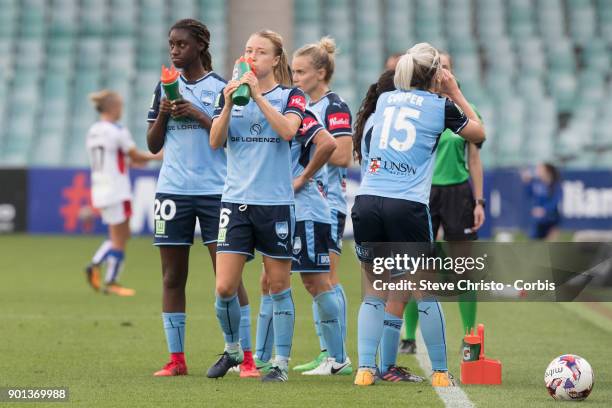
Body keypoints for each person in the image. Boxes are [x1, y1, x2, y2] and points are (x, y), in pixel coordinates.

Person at [351, 43, 485, 387]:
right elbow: (479, 134)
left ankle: (365, 370)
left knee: (374, 290)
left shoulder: (384, 100)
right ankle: (440, 372)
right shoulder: (441, 106)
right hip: (406, 205)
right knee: (425, 290)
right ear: (436, 75)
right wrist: (453, 89)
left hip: (367, 201)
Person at [146, 19, 254, 378]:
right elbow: (152, 144)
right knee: (172, 277)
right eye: (171, 44)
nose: (174, 50)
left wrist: (198, 114)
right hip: (172, 191)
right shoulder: (164, 87)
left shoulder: (223, 88)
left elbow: (228, 139)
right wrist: (163, 113)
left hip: (216, 192)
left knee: (228, 278)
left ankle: (247, 357)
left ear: (200, 46)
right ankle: (176, 360)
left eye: (181, 44)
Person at [206, 30, 306, 383]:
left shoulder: (291, 95)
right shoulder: (228, 94)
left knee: (278, 285)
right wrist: (231, 101)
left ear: (276, 60)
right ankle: (233, 349)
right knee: (224, 287)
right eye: (248, 50)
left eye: (260, 52)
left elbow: (288, 132)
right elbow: (215, 141)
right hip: (235, 202)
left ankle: (279, 363)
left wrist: (259, 97)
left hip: (276, 203)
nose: (252, 57)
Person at [400, 51, 486, 355]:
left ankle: (469, 336)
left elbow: (474, 158)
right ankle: (408, 336)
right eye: (438, 67)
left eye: (447, 66)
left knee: (463, 268)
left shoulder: (466, 109)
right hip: (424, 193)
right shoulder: (420, 109)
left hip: (458, 195)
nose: (442, 72)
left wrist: (479, 200)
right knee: (416, 265)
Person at [287, 37, 353, 373]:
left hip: (328, 202)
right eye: (292, 71)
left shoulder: (334, 106)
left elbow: (343, 154)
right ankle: (329, 351)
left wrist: (314, 143)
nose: (295, 77)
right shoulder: (300, 105)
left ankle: (336, 356)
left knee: (326, 277)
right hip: (312, 201)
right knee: (315, 277)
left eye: (300, 72)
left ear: (321, 72)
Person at [85, 89, 159, 296]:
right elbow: (135, 154)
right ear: (114, 108)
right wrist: (159, 156)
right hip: (117, 189)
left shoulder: (94, 130)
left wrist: (131, 162)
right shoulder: (117, 130)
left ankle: (102, 270)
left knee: (120, 235)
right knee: (120, 237)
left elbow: (119, 158)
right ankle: (108, 276)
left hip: (100, 187)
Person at [522, 162, 562, 240]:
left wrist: (544, 210)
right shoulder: (537, 183)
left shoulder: (555, 185)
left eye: (540, 169)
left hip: (551, 216)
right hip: (538, 217)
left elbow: (555, 201)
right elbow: (529, 193)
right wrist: (527, 182)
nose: (537, 171)